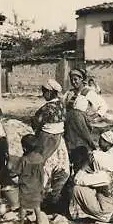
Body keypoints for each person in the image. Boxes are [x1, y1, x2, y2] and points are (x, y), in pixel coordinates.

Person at [68, 131, 113, 223]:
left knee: (77, 189)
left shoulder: (104, 175)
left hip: (107, 212)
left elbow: (77, 180)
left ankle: (79, 215)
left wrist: (83, 168)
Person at [31, 79, 70, 211]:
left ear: (49, 92)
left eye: (44, 92)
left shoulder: (46, 108)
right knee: (61, 167)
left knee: (44, 167)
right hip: (60, 141)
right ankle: (54, 197)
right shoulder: (61, 105)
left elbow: (36, 122)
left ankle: (39, 200)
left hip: (47, 140)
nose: (43, 94)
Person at [63, 68, 106, 167]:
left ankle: (84, 169)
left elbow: (103, 106)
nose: (73, 82)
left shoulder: (88, 92)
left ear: (82, 79)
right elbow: (63, 105)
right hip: (69, 126)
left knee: (82, 148)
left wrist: (93, 117)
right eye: (71, 80)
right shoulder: (69, 93)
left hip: (81, 127)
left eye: (76, 79)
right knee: (69, 148)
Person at [10, 134, 47, 224]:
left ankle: (21, 222)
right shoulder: (40, 158)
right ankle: (39, 221)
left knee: (23, 206)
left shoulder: (24, 159)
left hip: (26, 185)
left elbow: (17, 171)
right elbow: (42, 172)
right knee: (37, 205)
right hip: (37, 185)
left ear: (25, 148)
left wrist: (11, 172)